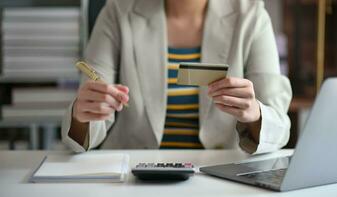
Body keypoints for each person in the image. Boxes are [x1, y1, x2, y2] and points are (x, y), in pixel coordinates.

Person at [62, 0, 292, 154]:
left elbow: (279, 126)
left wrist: (254, 114)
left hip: (220, 180)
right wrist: (84, 115)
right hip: (132, 178)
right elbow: (88, 116)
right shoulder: (118, 11)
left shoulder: (251, 15)